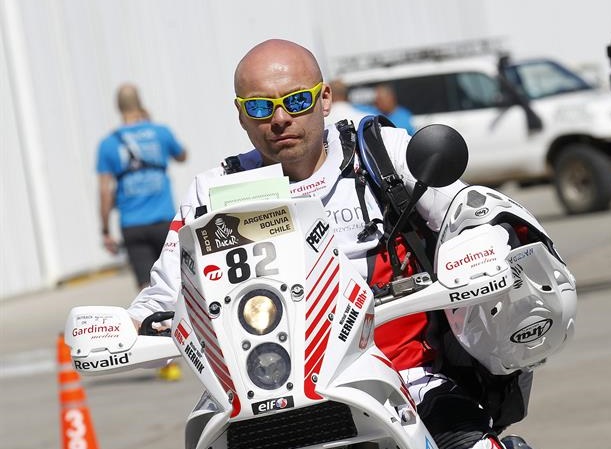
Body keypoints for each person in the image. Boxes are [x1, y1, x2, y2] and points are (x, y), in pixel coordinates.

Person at [127, 40, 551, 448]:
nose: (280, 119)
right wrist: (128, 329)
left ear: (324, 99)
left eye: (296, 101)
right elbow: (163, 295)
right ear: (241, 115)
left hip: (408, 384)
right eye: (260, 107)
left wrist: (481, 247)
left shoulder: (380, 154)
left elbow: (469, 212)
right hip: (267, 406)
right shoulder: (213, 192)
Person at [96, 83, 187, 381]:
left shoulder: (108, 144)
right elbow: (182, 155)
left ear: (118, 107)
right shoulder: (160, 132)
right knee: (177, 283)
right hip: (164, 221)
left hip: (132, 224)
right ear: (140, 103)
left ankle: (161, 355)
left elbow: (105, 189)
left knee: (148, 290)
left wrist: (105, 228)